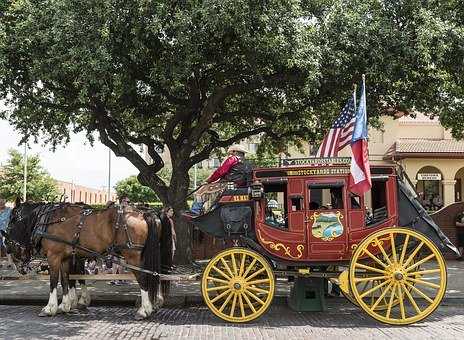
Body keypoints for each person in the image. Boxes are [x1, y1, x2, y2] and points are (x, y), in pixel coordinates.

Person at [193, 145, 250, 213]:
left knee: (202, 190)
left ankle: (195, 211)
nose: (229, 154)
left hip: (227, 185)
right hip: (240, 187)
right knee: (215, 197)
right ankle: (213, 209)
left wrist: (208, 180)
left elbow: (221, 172)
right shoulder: (247, 163)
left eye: (231, 152)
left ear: (234, 152)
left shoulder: (232, 159)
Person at [0, 197, 14, 269]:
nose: (1, 205)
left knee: (6, 246)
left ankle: (10, 263)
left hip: (6, 230)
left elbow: (12, 220)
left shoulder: (9, 210)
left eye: (2, 203)